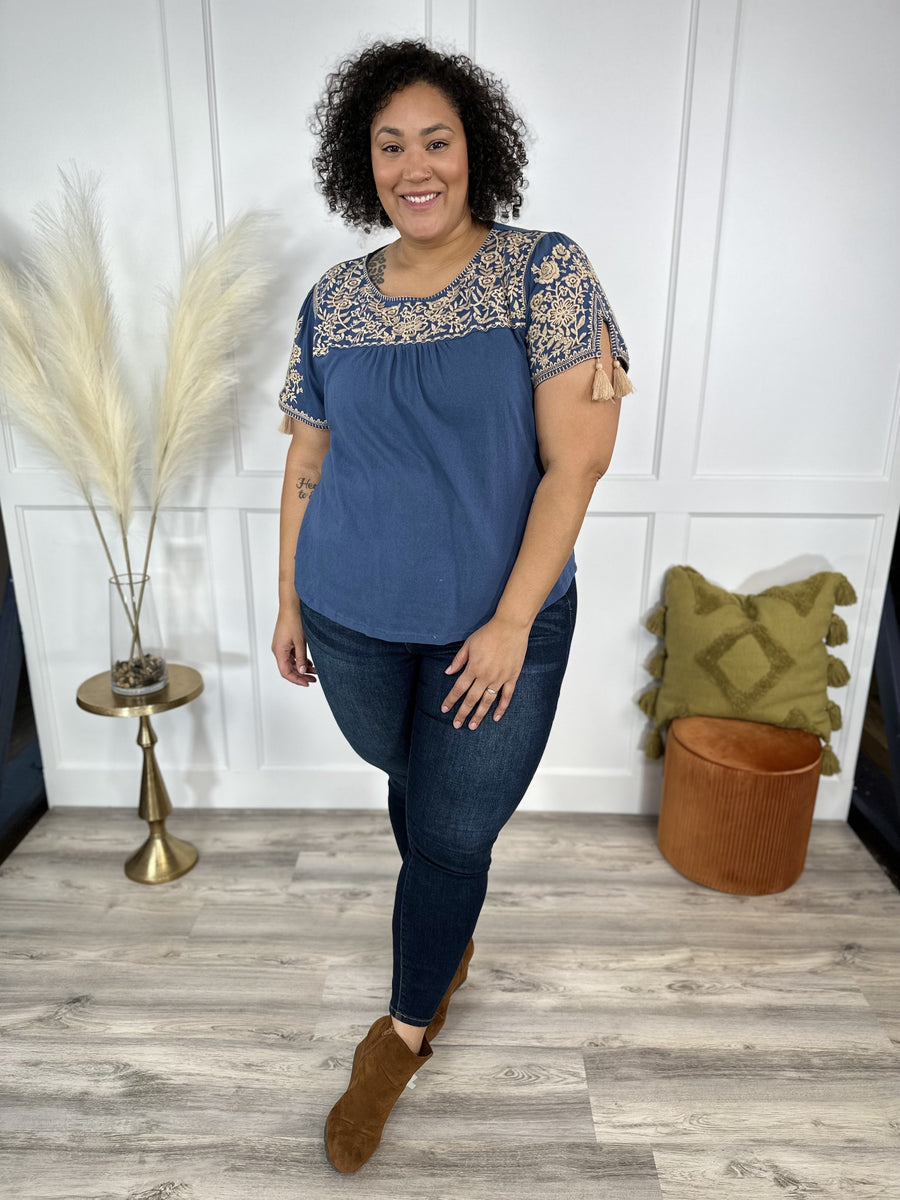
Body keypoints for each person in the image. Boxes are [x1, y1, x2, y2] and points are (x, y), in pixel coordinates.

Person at [271, 39, 631, 1174]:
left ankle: (400, 1034)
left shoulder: (543, 273)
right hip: (348, 613)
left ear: (478, 150)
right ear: (362, 163)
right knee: (419, 793)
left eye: (437, 140)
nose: (414, 166)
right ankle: (444, 940)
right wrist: (288, 597)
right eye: (390, 146)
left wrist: (513, 622)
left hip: (499, 625)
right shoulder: (334, 299)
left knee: (452, 834)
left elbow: (576, 464)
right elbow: (307, 461)